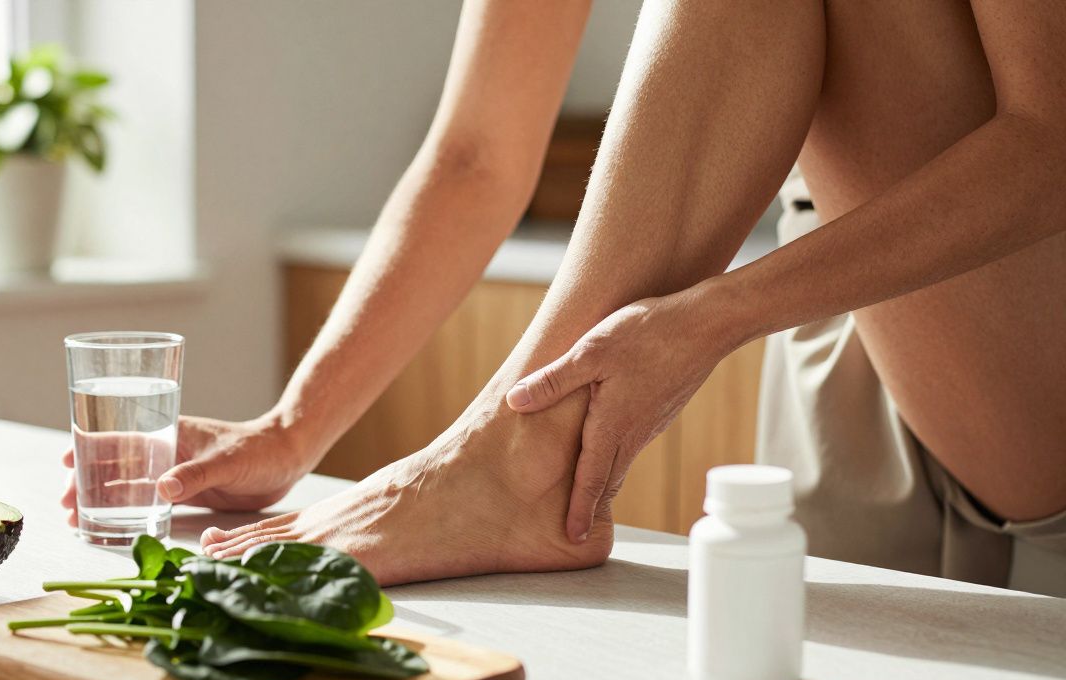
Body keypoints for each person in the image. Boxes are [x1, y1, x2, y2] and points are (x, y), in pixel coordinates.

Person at [64, 0, 1066, 589]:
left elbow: (1049, 140)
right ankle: (510, 449)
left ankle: (518, 450)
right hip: (849, 329)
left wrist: (713, 316)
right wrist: (291, 430)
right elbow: (476, 156)